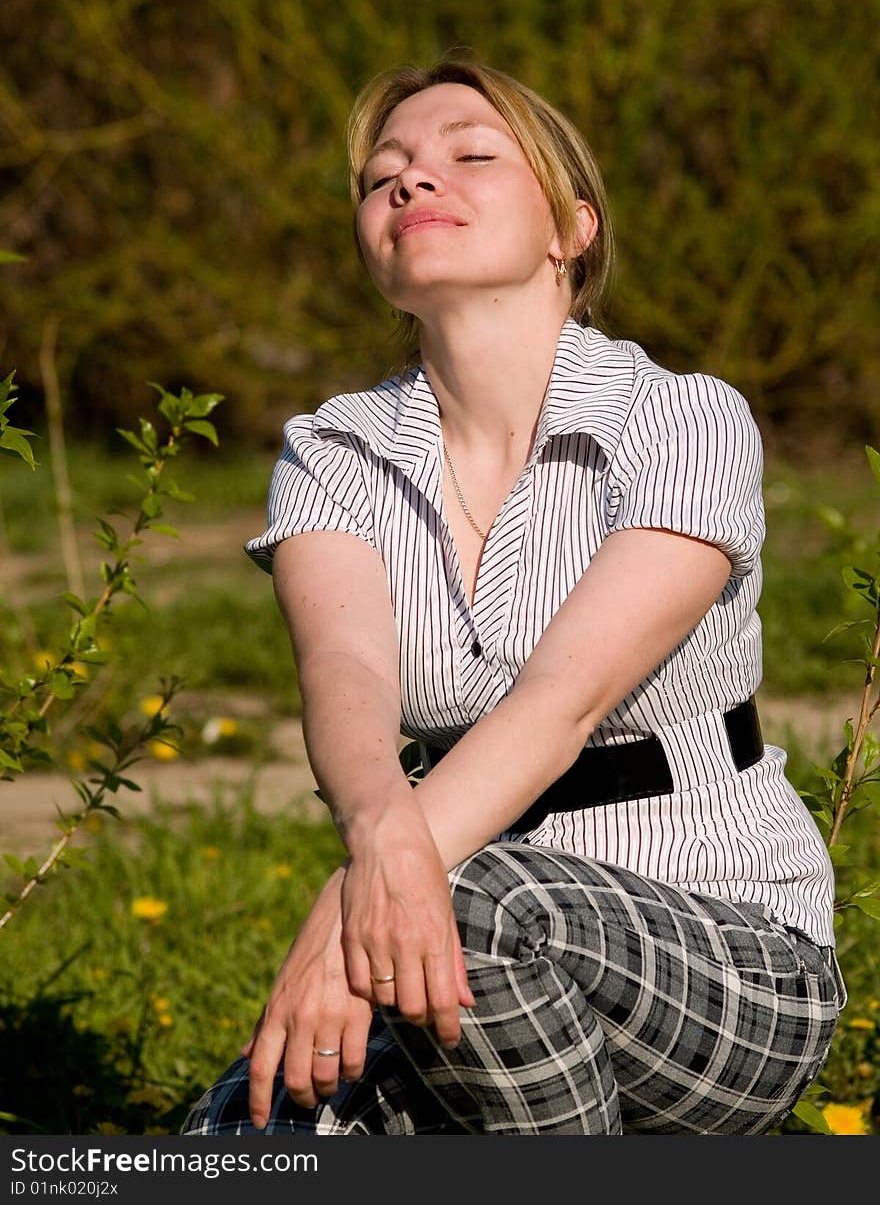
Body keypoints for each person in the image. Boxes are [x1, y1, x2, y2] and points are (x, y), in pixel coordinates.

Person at [182, 57, 845, 1137]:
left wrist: (348, 903)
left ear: (570, 229)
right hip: (441, 937)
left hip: (730, 957)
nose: (408, 182)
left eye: (469, 156)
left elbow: (561, 703)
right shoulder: (330, 450)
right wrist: (374, 862)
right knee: (239, 1141)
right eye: (382, 174)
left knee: (484, 905)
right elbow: (344, 675)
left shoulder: (683, 418)